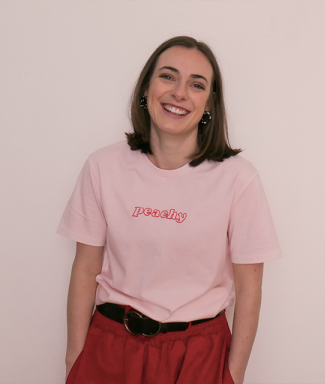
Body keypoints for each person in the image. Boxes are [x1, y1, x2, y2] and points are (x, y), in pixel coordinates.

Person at [57, 35, 282, 384]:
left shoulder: (239, 180)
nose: (179, 92)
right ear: (146, 88)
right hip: (109, 347)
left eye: (196, 84)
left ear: (209, 103)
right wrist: (75, 359)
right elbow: (86, 267)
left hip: (198, 356)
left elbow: (250, 288)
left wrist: (233, 376)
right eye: (167, 76)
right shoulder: (103, 166)